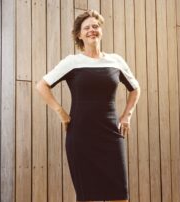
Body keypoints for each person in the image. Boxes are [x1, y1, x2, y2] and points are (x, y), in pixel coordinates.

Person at [35, 9, 141, 202]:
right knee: (88, 197)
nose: (92, 30)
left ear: (101, 30)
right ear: (79, 34)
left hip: (111, 135)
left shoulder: (115, 61)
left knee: (119, 196)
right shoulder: (72, 62)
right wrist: (61, 112)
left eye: (95, 26)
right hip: (81, 137)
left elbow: (135, 89)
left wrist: (127, 115)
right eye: (87, 28)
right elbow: (42, 86)